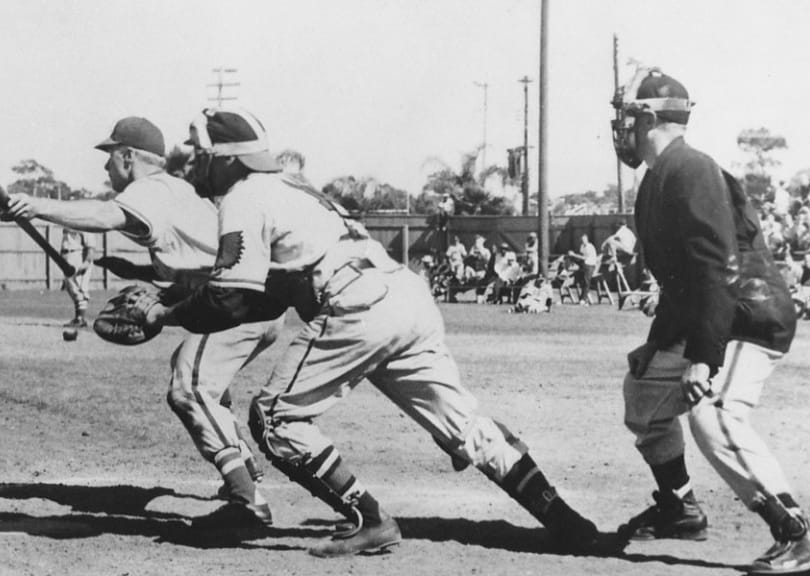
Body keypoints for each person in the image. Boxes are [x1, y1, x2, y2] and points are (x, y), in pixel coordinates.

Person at [141, 107, 603, 557]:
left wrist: (164, 314)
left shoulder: (243, 195)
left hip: (357, 303)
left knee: (275, 418)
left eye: (200, 153)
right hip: (404, 296)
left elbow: (231, 298)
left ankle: (370, 519)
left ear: (228, 157)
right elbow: (267, 295)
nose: (193, 162)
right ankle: (566, 521)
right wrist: (177, 301)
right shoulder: (289, 187)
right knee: (464, 426)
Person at [1, 116, 282, 529]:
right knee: (206, 385)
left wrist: (37, 205)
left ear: (128, 156)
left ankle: (247, 499)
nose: (105, 167)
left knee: (187, 387)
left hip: (234, 303)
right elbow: (189, 263)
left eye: (109, 157)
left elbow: (103, 214)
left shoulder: (150, 190)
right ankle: (245, 469)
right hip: (252, 301)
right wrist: (129, 268)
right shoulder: (178, 190)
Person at [610, 67, 810, 575]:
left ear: (648, 116)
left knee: (711, 413)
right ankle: (680, 507)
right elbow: (682, 281)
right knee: (644, 392)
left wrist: (703, 359)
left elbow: (717, 271)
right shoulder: (656, 178)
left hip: (751, 316)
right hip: (718, 314)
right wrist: (659, 343)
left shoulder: (689, 167)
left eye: (627, 115)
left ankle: (800, 536)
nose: (621, 127)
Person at [59, 227, 97, 328]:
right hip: (67, 255)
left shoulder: (86, 224)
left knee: (79, 288)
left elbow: (91, 247)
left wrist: (86, 262)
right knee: (71, 287)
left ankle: (80, 318)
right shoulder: (67, 223)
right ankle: (78, 318)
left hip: (78, 255)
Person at [568, 234, 598, 306]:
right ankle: (568, 271)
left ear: (587, 239)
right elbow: (580, 256)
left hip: (590, 265)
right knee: (581, 280)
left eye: (584, 239)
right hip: (584, 265)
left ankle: (583, 299)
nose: (583, 241)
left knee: (586, 281)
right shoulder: (582, 246)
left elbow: (584, 258)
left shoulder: (589, 247)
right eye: (582, 240)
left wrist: (574, 255)